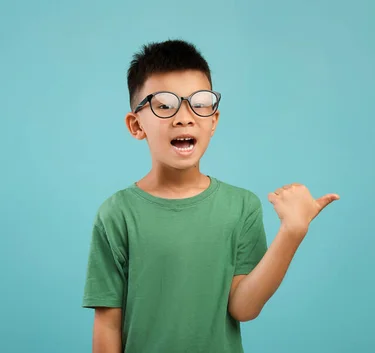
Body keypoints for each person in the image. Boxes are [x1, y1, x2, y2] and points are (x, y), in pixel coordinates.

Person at [81, 39, 339, 353]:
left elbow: (243, 308)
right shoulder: (116, 213)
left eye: (200, 102)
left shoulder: (242, 206)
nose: (184, 117)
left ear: (213, 121)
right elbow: (107, 324)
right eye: (164, 104)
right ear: (136, 125)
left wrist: (292, 233)